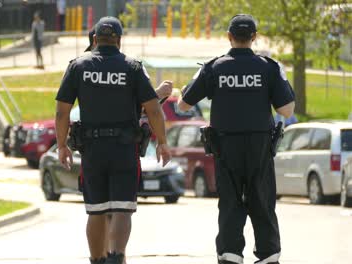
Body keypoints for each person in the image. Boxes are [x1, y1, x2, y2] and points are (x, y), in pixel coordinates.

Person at [177, 14, 295, 264]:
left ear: (229, 37)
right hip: (260, 147)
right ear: (254, 37)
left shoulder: (214, 68)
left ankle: (230, 256)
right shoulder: (269, 67)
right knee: (262, 200)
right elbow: (287, 110)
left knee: (230, 203)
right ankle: (268, 256)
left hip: (225, 147)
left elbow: (184, 105)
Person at [55, 16, 171, 264]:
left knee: (96, 209)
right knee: (121, 208)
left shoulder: (78, 66)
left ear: (95, 39)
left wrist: (62, 145)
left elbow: (61, 111)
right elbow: (153, 110)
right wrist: (162, 141)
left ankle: (97, 260)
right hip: (124, 148)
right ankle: (116, 257)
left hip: (92, 149)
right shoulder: (133, 67)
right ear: (118, 40)